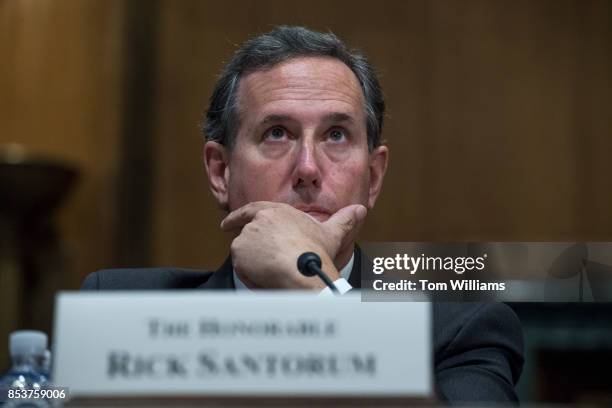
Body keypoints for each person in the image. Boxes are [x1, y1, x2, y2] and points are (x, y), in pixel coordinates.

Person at [82, 26, 523, 403]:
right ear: (221, 172)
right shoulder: (118, 308)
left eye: (336, 135)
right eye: (277, 133)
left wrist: (313, 290)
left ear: (373, 177)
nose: (308, 169)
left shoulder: (460, 329)